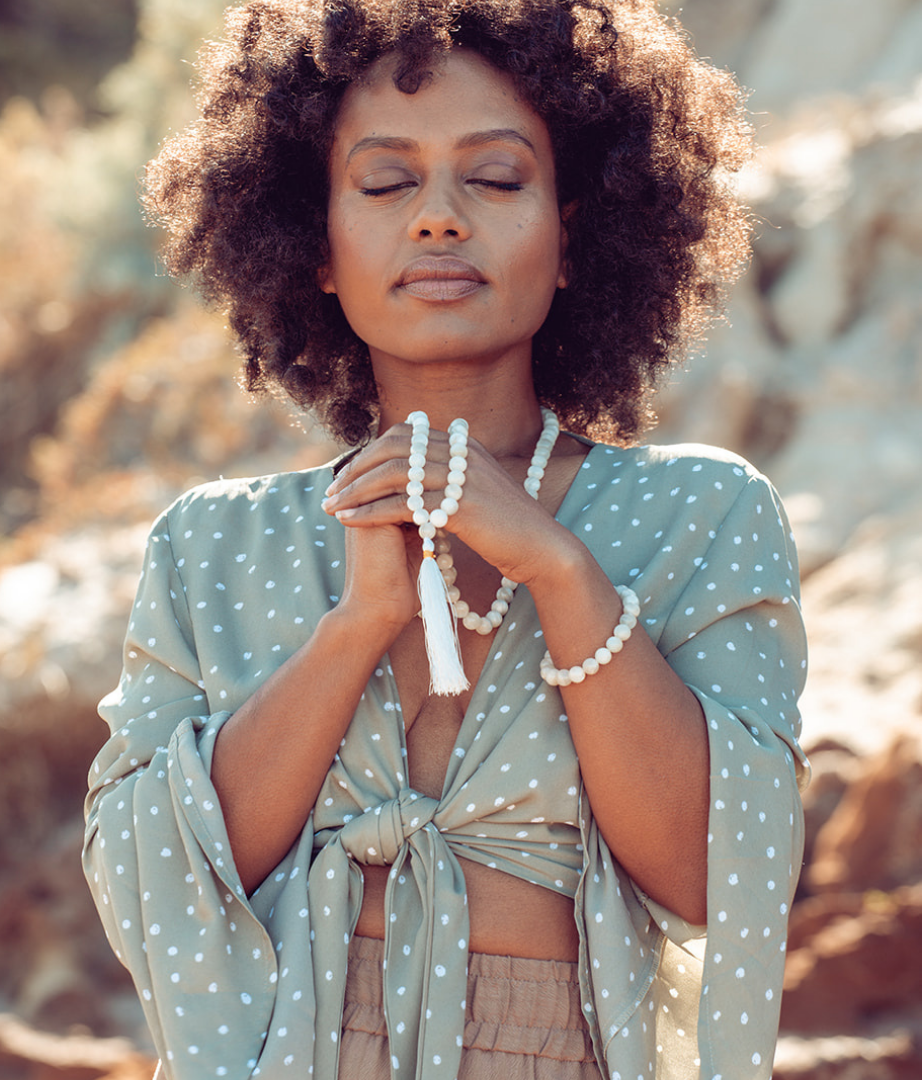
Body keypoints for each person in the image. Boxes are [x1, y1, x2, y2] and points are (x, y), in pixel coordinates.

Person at [83, 2, 810, 1078]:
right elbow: (155, 879)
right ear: (311, 244)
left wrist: (558, 570)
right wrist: (355, 628)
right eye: (385, 183)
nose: (437, 218)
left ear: (578, 235)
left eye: (497, 178)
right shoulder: (212, 545)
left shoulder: (701, 516)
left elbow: (719, 873)